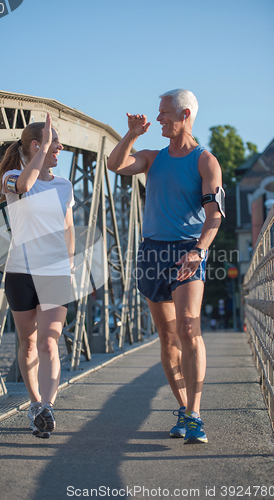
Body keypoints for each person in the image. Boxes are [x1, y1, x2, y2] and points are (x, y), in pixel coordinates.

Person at [107, 89, 223, 444]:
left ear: (185, 114)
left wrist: (199, 251)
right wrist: (130, 134)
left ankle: (195, 414)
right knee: (168, 336)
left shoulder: (206, 161)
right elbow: (115, 165)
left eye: (164, 114)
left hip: (187, 252)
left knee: (188, 328)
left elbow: (214, 216)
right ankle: (185, 410)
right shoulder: (151, 157)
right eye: (157, 114)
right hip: (151, 252)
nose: (157, 119)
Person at [0, 113, 75, 438]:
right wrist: (42, 149)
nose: (59, 147)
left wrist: (70, 261)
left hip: (54, 272)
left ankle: (47, 407)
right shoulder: (12, 177)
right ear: (36, 145)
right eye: (53, 142)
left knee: (48, 342)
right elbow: (27, 185)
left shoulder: (64, 184)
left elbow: (69, 227)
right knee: (28, 344)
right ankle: (35, 404)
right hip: (20, 271)